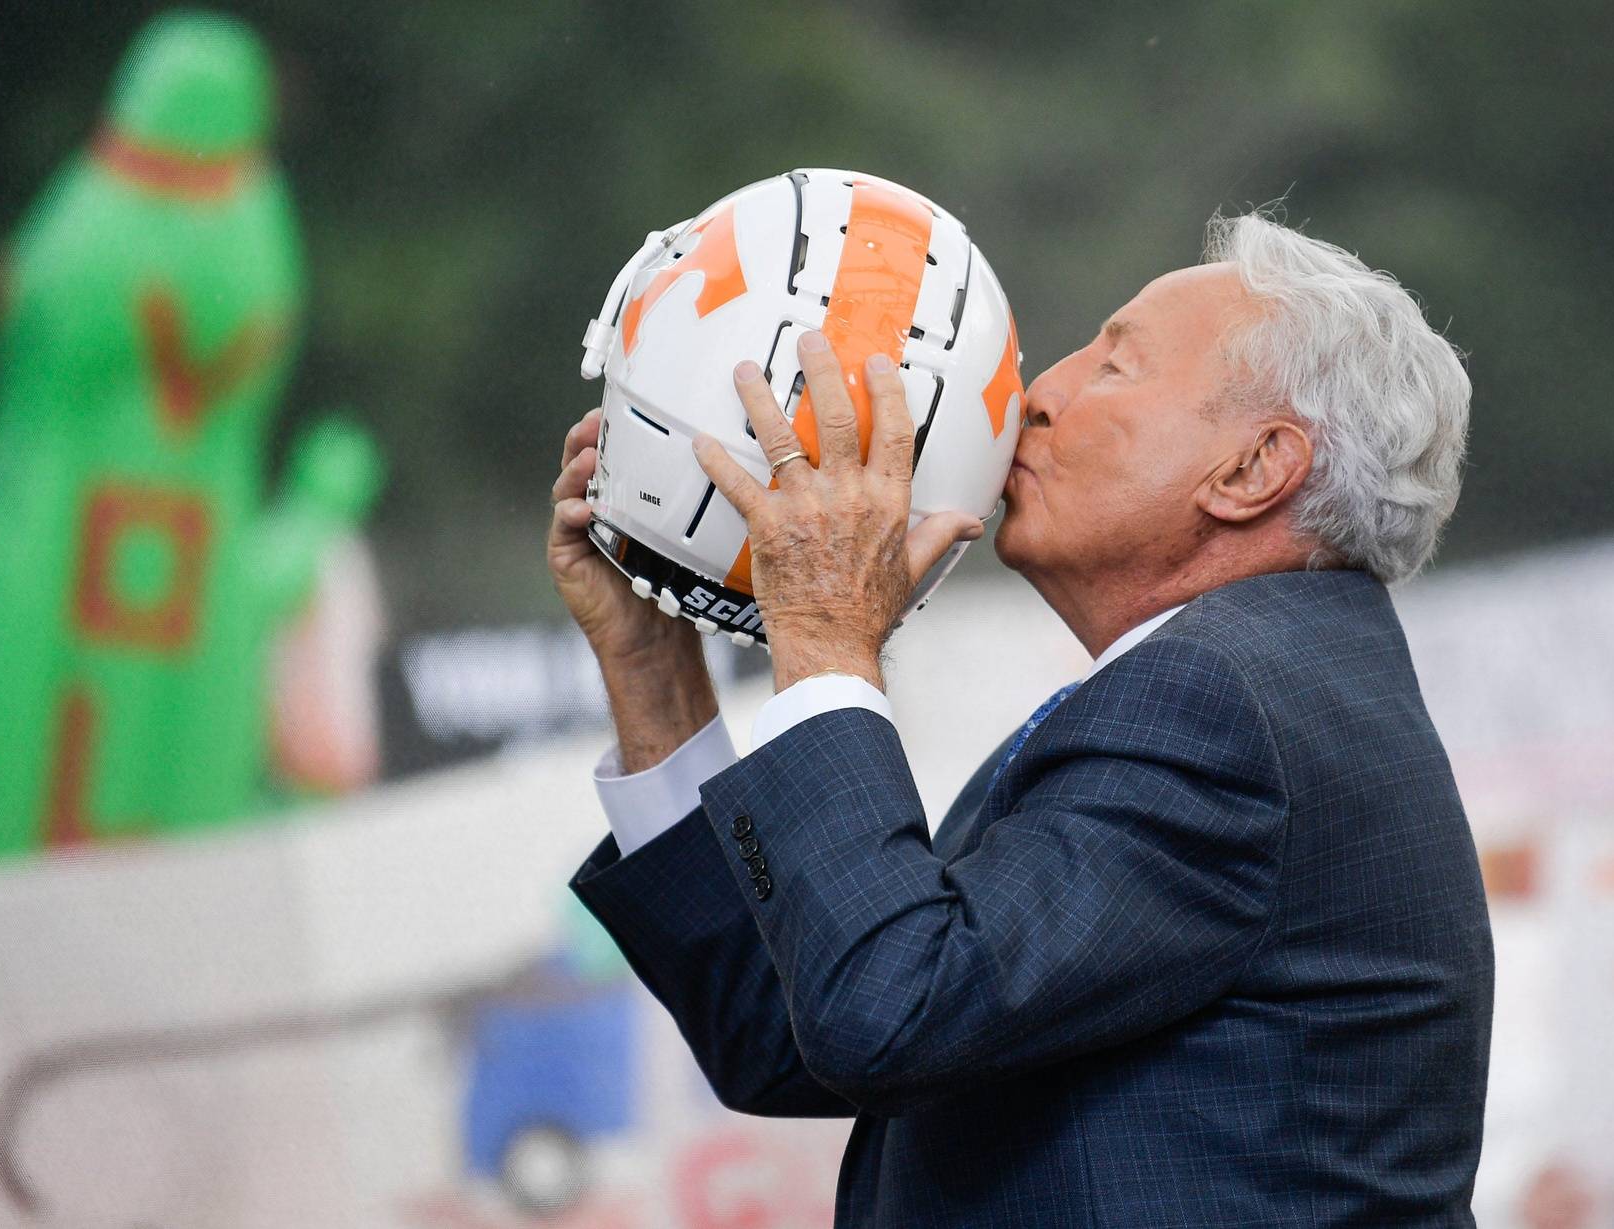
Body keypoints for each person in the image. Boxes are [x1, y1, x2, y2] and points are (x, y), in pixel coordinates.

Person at [548, 210, 1492, 1227]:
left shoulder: (1215, 705)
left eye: (1115, 366)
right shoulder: (1240, 685)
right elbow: (792, 1025)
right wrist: (655, 677)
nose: (1038, 395)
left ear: (1253, 469)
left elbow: (885, 1007)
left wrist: (822, 632)